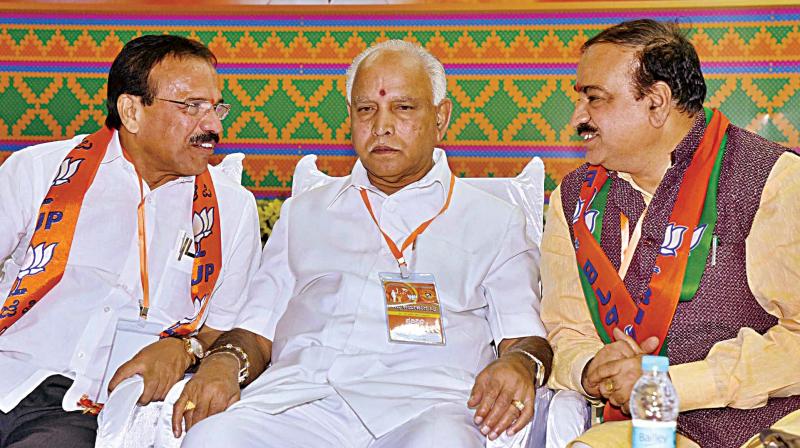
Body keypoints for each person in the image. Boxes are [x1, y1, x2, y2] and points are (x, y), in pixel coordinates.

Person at [171, 39, 553, 447]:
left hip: (427, 408)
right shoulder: (304, 213)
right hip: (303, 403)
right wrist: (224, 360)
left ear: (441, 118)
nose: (382, 126)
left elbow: (524, 337)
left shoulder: (494, 220)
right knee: (215, 437)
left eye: (403, 108)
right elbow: (256, 330)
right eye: (366, 109)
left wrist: (519, 364)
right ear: (350, 118)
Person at [539, 19, 800, 447]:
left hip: (770, 428)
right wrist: (593, 369)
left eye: (595, 99)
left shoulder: (772, 179)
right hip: (649, 433)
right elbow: (565, 332)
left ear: (657, 103)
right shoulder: (572, 200)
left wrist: (676, 386)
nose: (578, 117)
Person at [0, 35, 260, 447]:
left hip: (89, 411)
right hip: (10, 373)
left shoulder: (230, 211)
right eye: (192, 107)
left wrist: (186, 348)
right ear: (131, 111)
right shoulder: (39, 172)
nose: (213, 126)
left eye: (216, 107)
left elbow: (226, 330)